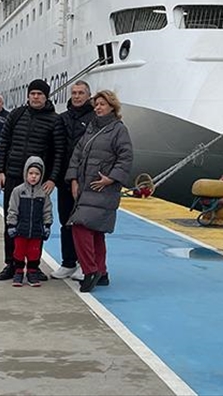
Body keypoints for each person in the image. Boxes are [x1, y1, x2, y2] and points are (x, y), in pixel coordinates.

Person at [0, 78, 65, 282]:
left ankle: (34, 266)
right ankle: (11, 263)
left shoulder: (54, 120)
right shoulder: (16, 115)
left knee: (37, 222)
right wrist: (0, 171)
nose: (35, 97)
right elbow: (4, 142)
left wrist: (52, 179)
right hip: (14, 175)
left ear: (46, 97)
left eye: (39, 94)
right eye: (32, 93)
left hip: (38, 180)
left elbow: (59, 152)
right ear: (28, 95)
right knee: (11, 220)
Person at [66, 89, 133, 293]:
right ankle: (102, 272)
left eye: (102, 104)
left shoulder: (118, 130)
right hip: (87, 187)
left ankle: (90, 271)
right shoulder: (92, 127)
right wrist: (73, 179)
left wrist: (111, 178)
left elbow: (126, 157)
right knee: (95, 232)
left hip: (103, 188)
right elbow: (77, 154)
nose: (98, 108)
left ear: (112, 107)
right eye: (96, 105)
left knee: (80, 227)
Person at [52, 80, 95, 280]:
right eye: (74, 93)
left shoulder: (95, 119)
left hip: (86, 181)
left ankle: (84, 264)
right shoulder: (63, 118)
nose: (77, 96)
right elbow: (56, 148)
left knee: (85, 223)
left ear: (88, 95)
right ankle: (68, 262)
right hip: (65, 180)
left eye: (81, 93)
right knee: (65, 221)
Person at [5, 156, 53, 287]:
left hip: (37, 231)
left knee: (34, 252)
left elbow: (47, 210)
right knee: (19, 252)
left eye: (37, 174)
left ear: (41, 176)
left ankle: (32, 272)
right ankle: (18, 272)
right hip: (21, 230)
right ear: (25, 173)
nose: (33, 176)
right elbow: (12, 209)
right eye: (31, 173)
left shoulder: (43, 193)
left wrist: (47, 225)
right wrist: (11, 225)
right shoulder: (18, 191)